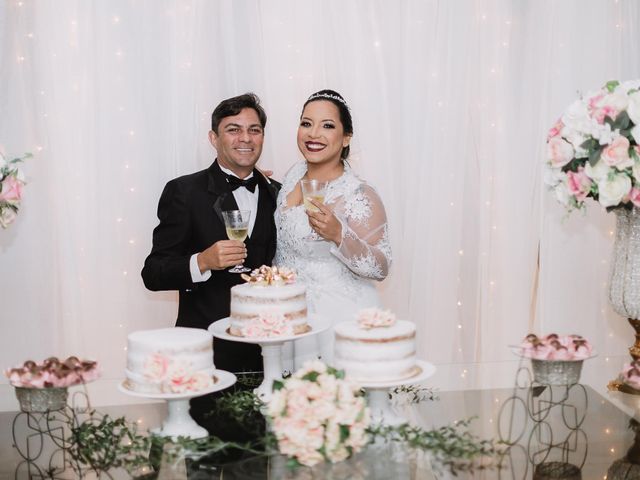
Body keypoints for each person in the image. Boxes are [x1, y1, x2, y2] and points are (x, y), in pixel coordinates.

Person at [141, 92, 280, 374]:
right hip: (207, 355)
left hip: (269, 354)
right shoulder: (184, 191)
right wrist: (201, 262)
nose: (246, 138)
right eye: (233, 130)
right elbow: (153, 273)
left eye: (254, 130)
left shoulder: (278, 192)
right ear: (213, 138)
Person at [275, 89, 392, 370]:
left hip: (338, 321)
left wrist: (339, 235)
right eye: (306, 123)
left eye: (327, 125)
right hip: (291, 317)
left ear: (346, 137)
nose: (313, 134)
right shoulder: (292, 175)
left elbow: (382, 266)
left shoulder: (359, 194)